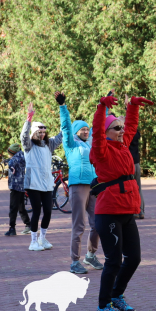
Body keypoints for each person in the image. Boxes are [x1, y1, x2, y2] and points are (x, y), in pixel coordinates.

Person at [91, 92, 154, 311]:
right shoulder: (101, 149)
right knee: (113, 261)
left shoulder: (123, 145)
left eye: (120, 127)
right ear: (107, 133)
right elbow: (96, 132)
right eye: (116, 128)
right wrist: (101, 108)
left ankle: (117, 295)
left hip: (127, 211)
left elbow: (132, 127)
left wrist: (133, 107)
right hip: (109, 213)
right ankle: (102, 305)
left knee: (134, 258)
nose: (121, 130)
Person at [55, 91, 104, 274]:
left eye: (86, 129)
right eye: (82, 129)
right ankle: (75, 261)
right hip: (78, 186)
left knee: (98, 223)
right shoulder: (71, 144)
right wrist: (63, 107)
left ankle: (90, 255)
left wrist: (103, 106)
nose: (85, 131)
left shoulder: (89, 143)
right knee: (79, 225)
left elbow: (98, 128)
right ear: (76, 131)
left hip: (93, 186)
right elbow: (66, 127)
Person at [20, 102, 63, 251]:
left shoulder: (48, 145)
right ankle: (33, 241)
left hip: (46, 184)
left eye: (44, 131)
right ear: (34, 132)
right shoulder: (29, 145)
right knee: (37, 211)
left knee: (49, 212)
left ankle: (42, 238)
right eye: (39, 132)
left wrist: (66, 119)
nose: (42, 134)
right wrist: (29, 118)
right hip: (33, 184)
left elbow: (61, 135)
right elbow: (23, 136)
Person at [6, 144, 31, 236]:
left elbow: (11, 164)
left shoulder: (14, 159)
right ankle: (28, 224)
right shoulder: (22, 156)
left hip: (15, 186)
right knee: (21, 206)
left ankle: (12, 228)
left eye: (9, 153)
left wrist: (11, 167)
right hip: (21, 185)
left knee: (13, 207)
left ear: (12, 152)